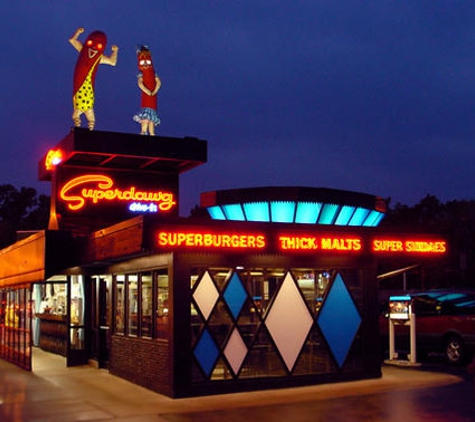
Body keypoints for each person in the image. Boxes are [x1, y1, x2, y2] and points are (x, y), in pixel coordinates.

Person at [69, 27, 119, 130]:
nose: (94, 47)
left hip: (88, 95)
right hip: (83, 94)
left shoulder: (98, 57)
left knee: (86, 117)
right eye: (91, 42)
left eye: (99, 45)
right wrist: (77, 32)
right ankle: (81, 127)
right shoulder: (83, 50)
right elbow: (72, 40)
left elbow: (112, 62)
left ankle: (86, 128)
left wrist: (115, 51)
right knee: (85, 116)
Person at [133, 45, 161, 135]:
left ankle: (151, 135)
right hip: (147, 100)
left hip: (152, 101)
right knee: (145, 120)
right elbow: (140, 83)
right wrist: (147, 91)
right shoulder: (141, 73)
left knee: (151, 123)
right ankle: (143, 133)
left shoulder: (153, 72)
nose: (145, 64)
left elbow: (158, 82)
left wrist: (154, 91)